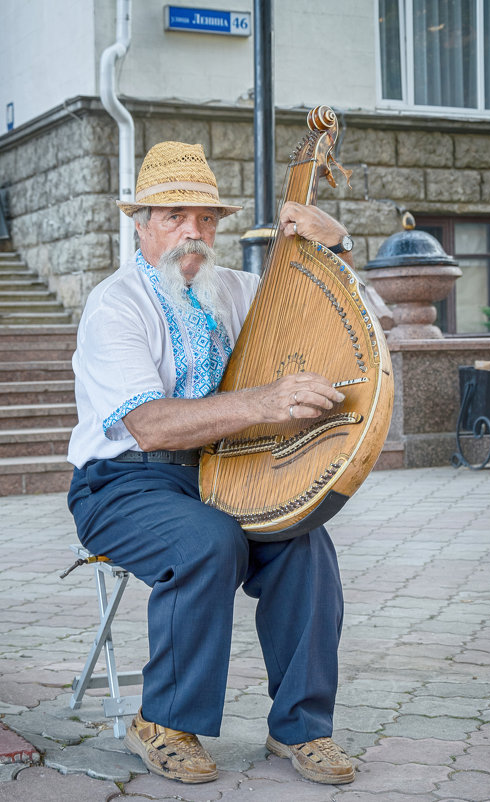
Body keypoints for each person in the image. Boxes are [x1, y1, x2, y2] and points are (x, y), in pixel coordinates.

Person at [67, 140, 356, 786]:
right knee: (209, 539)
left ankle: (301, 728)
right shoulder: (115, 305)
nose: (190, 232)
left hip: (217, 470)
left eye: (205, 217)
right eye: (173, 216)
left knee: (304, 536)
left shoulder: (239, 288)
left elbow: (327, 320)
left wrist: (333, 247)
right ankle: (162, 722)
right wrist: (265, 401)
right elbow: (148, 424)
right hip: (120, 482)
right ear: (140, 223)